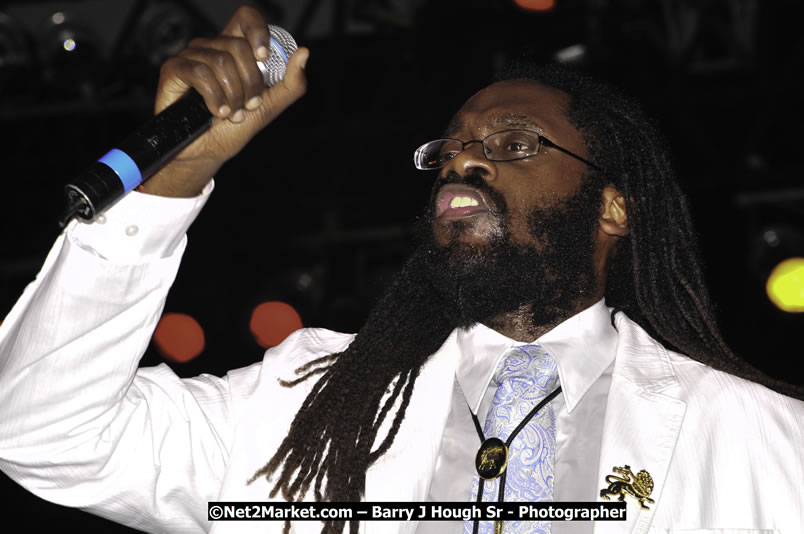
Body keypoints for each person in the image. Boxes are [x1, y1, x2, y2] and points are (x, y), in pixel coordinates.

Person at [0, 5, 802, 534]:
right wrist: (177, 173)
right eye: (450, 149)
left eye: (512, 145)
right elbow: (43, 432)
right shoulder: (311, 407)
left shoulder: (753, 436)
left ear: (613, 207)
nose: (464, 163)